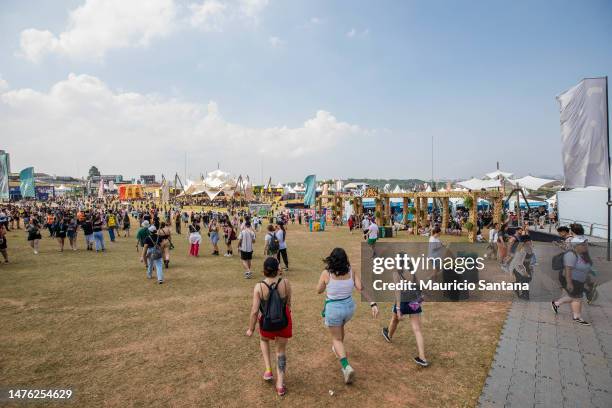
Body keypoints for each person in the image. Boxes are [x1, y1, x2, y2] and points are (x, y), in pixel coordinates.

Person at [316, 248, 379, 384]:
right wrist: (373, 303)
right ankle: (339, 349)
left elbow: (319, 290)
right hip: (349, 309)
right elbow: (361, 288)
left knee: (336, 339)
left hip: (334, 309)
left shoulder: (326, 274)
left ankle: (346, 366)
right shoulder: (351, 271)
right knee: (340, 328)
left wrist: (325, 285)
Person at [246, 257, 292, 396]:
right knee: (281, 351)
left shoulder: (259, 287)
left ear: (264, 270)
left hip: (266, 323)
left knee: (264, 339)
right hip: (283, 321)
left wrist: (251, 328)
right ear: (278, 269)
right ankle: (280, 385)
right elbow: (289, 304)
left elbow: (255, 311)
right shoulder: (286, 283)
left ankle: (268, 369)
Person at [381, 256, 428, 367]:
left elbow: (398, 291)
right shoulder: (413, 271)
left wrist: (398, 309)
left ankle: (389, 335)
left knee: (395, 319)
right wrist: (421, 299)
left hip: (403, 301)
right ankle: (422, 357)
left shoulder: (396, 273)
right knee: (417, 329)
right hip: (414, 300)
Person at [552, 237, 592, 325]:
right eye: (583, 244)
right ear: (576, 246)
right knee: (577, 297)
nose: (586, 246)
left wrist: (587, 279)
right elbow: (568, 269)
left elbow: (586, 267)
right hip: (571, 279)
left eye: (586, 244)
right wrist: (569, 283)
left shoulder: (583, 254)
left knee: (574, 296)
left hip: (579, 280)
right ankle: (577, 317)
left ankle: (556, 303)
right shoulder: (571, 255)